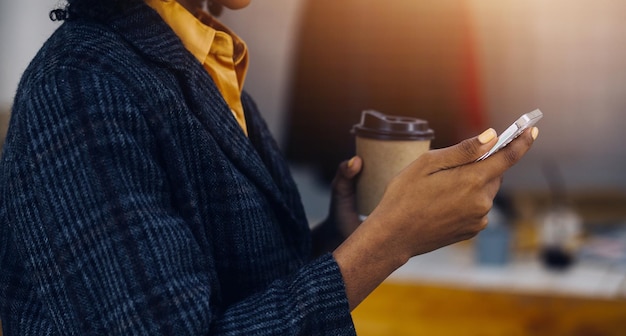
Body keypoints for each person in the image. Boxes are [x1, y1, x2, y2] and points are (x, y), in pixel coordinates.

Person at [0, 0, 538, 334]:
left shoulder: (201, 62)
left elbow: (225, 284)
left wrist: (335, 239)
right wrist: (389, 241)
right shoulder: (79, 87)